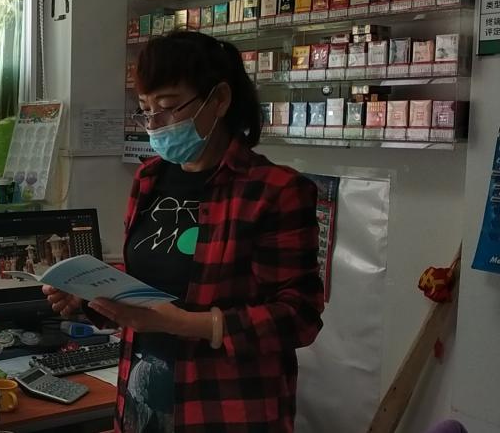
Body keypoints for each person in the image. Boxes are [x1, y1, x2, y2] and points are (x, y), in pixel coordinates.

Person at [44, 31, 324, 433]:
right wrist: (90, 295)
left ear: (219, 100)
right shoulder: (149, 180)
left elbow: (300, 316)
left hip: (225, 410)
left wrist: (187, 324)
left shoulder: (275, 191)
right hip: (142, 403)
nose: (154, 124)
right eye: (145, 110)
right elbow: (149, 287)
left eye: (168, 107)